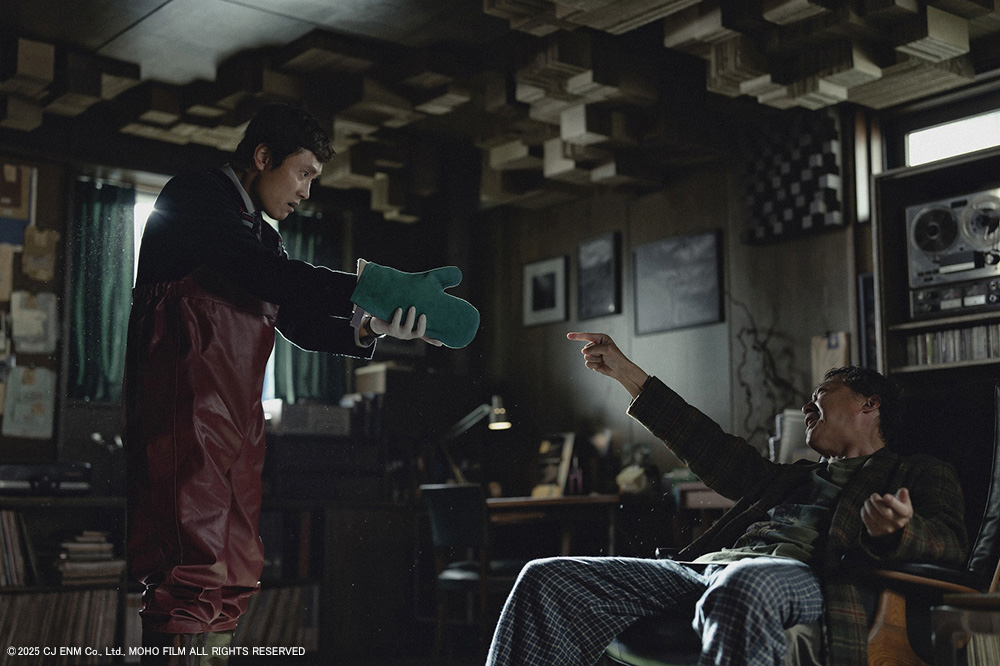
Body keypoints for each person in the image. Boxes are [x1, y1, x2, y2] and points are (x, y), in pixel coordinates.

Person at [122, 103, 439, 663]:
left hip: (238, 421)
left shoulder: (263, 240)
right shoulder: (196, 196)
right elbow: (262, 274)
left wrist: (373, 327)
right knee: (189, 566)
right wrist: (373, 288)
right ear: (264, 156)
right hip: (184, 409)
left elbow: (300, 321)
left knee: (236, 567)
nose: (306, 193)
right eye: (303, 173)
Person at [486, 331, 968, 666]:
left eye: (823, 392)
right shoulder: (789, 479)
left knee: (743, 583)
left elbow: (949, 544)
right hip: (704, 571)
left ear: (869, 403)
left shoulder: (916, 471)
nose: (806, 406)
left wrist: (899, 531)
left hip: (809, 580)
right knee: (546, 577)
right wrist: (627, 374)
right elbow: (709, 447)